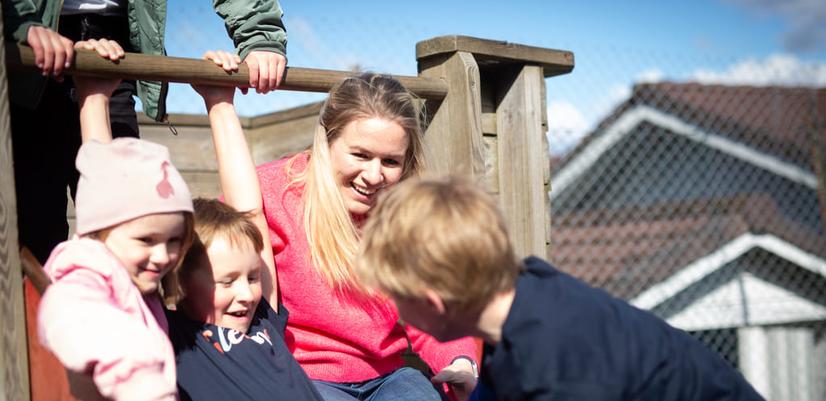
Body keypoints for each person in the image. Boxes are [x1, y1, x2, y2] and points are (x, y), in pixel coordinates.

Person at [355, 176, 766, 401]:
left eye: (398, 297)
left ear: (435, 302)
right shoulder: (522, 296)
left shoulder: (560, 368)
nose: (398, 311)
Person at [2, 0, 288, 263]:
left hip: (114, 47)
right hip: (27, 41)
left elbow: (251, 214)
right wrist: (19, 21)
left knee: (127, 220)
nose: (164, 257)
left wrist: (259, 35)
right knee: (31, 223)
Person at [256, 72, 479, 401]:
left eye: (390, 161)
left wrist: (460, 362)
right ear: (327, 142)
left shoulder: (405, 211)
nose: (374, 176)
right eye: (360, 155)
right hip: (305, 376)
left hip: (388, 377)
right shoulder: (271, 193)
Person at [36, 45, 195, 400]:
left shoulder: (132, 276)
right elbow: (75, 317)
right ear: (99, 231)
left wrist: (96, 99)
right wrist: (139, 379)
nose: (162, 256)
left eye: (174, 241)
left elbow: (101, 176)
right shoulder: (83, 275)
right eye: (146, 240)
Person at [163, 50, 323, 401]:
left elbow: (250, 212)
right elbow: (112, 228)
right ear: (181, 281)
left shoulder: (264, 322)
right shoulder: (175, 336)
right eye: (227, 281)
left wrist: (220, 102)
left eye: (251, 277)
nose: (248, 294)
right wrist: (97, 98)